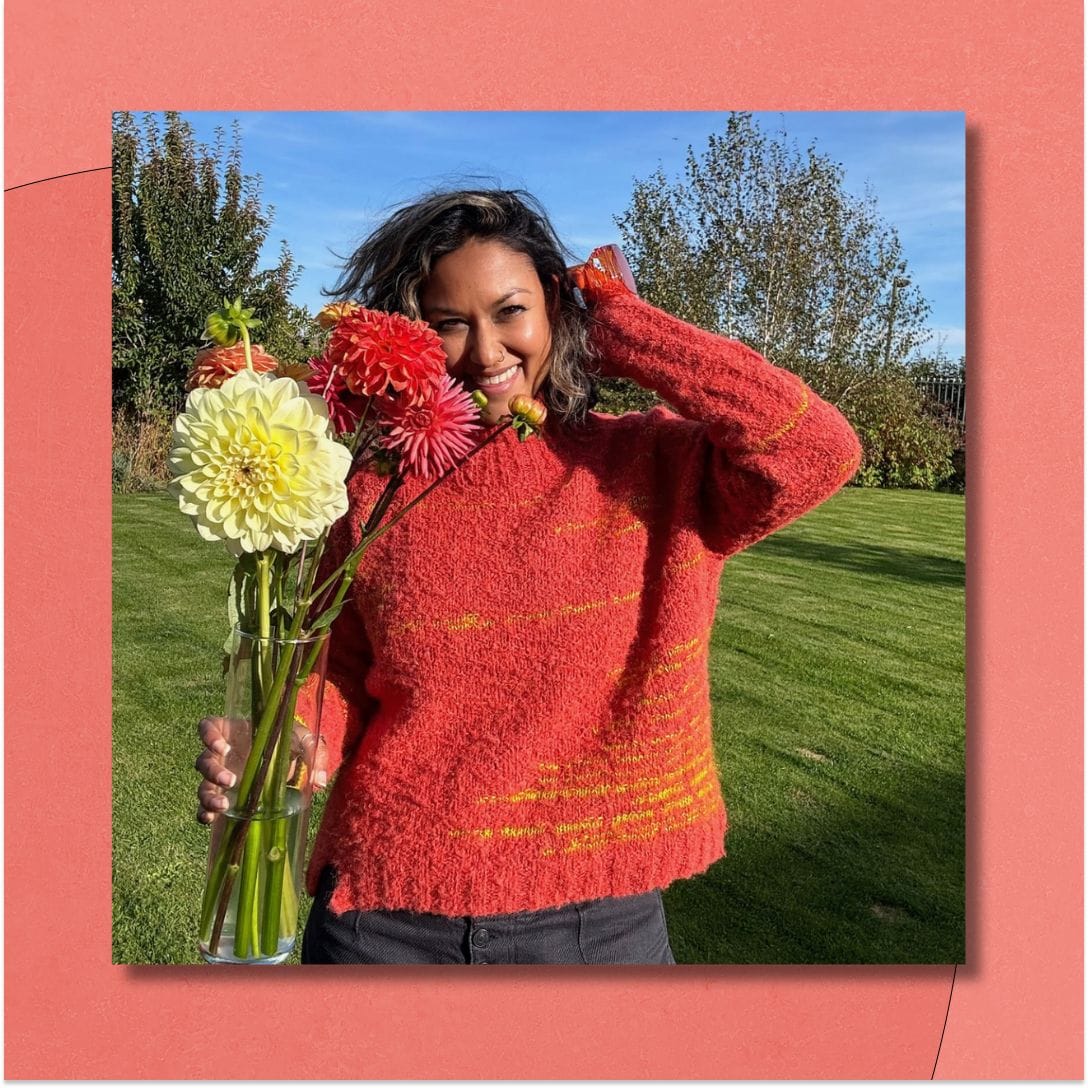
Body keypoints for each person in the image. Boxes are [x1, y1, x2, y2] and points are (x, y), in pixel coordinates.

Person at [195, 188, 863, 965]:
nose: (485, 351)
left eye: (511, 311)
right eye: (449, 322)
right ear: (416, 335)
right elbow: (339, 665)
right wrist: (296, 743)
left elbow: (815, 449)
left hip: (594, 926)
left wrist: (627, 327)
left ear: (556, 305)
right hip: (381, 916)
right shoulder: (373, 486)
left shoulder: (657, 466)